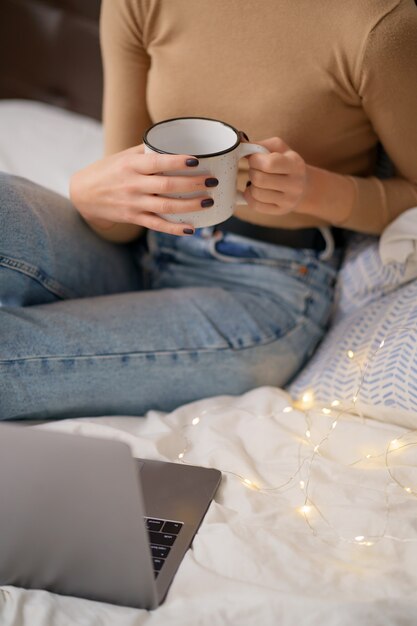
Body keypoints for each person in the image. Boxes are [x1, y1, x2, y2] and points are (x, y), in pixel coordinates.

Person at [1, 0, 416, 419]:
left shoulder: (380, 25)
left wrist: (315, 191)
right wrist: (89, 196)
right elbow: (120, 226)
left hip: (264, 288)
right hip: (138, 246)